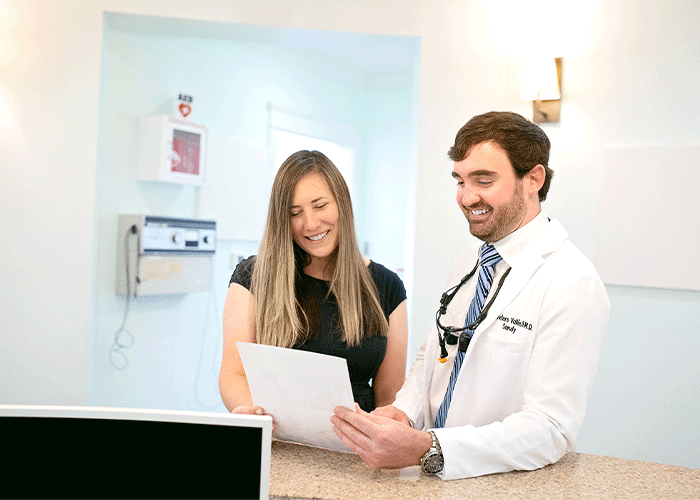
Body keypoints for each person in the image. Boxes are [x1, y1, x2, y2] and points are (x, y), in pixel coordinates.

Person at [331, 111, 610, 480]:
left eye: (483, 180)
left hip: (499, 485)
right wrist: (405, 411)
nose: (466, 196)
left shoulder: (571, 281)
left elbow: (550, 428)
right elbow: (434, 353)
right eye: (460, 180)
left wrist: (427, 447)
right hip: (435, 479)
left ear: (533, 179)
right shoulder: (468, 263)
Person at [219, 150, 408, 417]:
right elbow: (233, 373)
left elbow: (389, 397)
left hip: (357, 450)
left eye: (320, 206)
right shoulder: (253, 277)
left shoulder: (387, 287)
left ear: (342, 203)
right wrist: (255, 413)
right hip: (278, 439)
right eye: (295, 213)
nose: (310, 223)